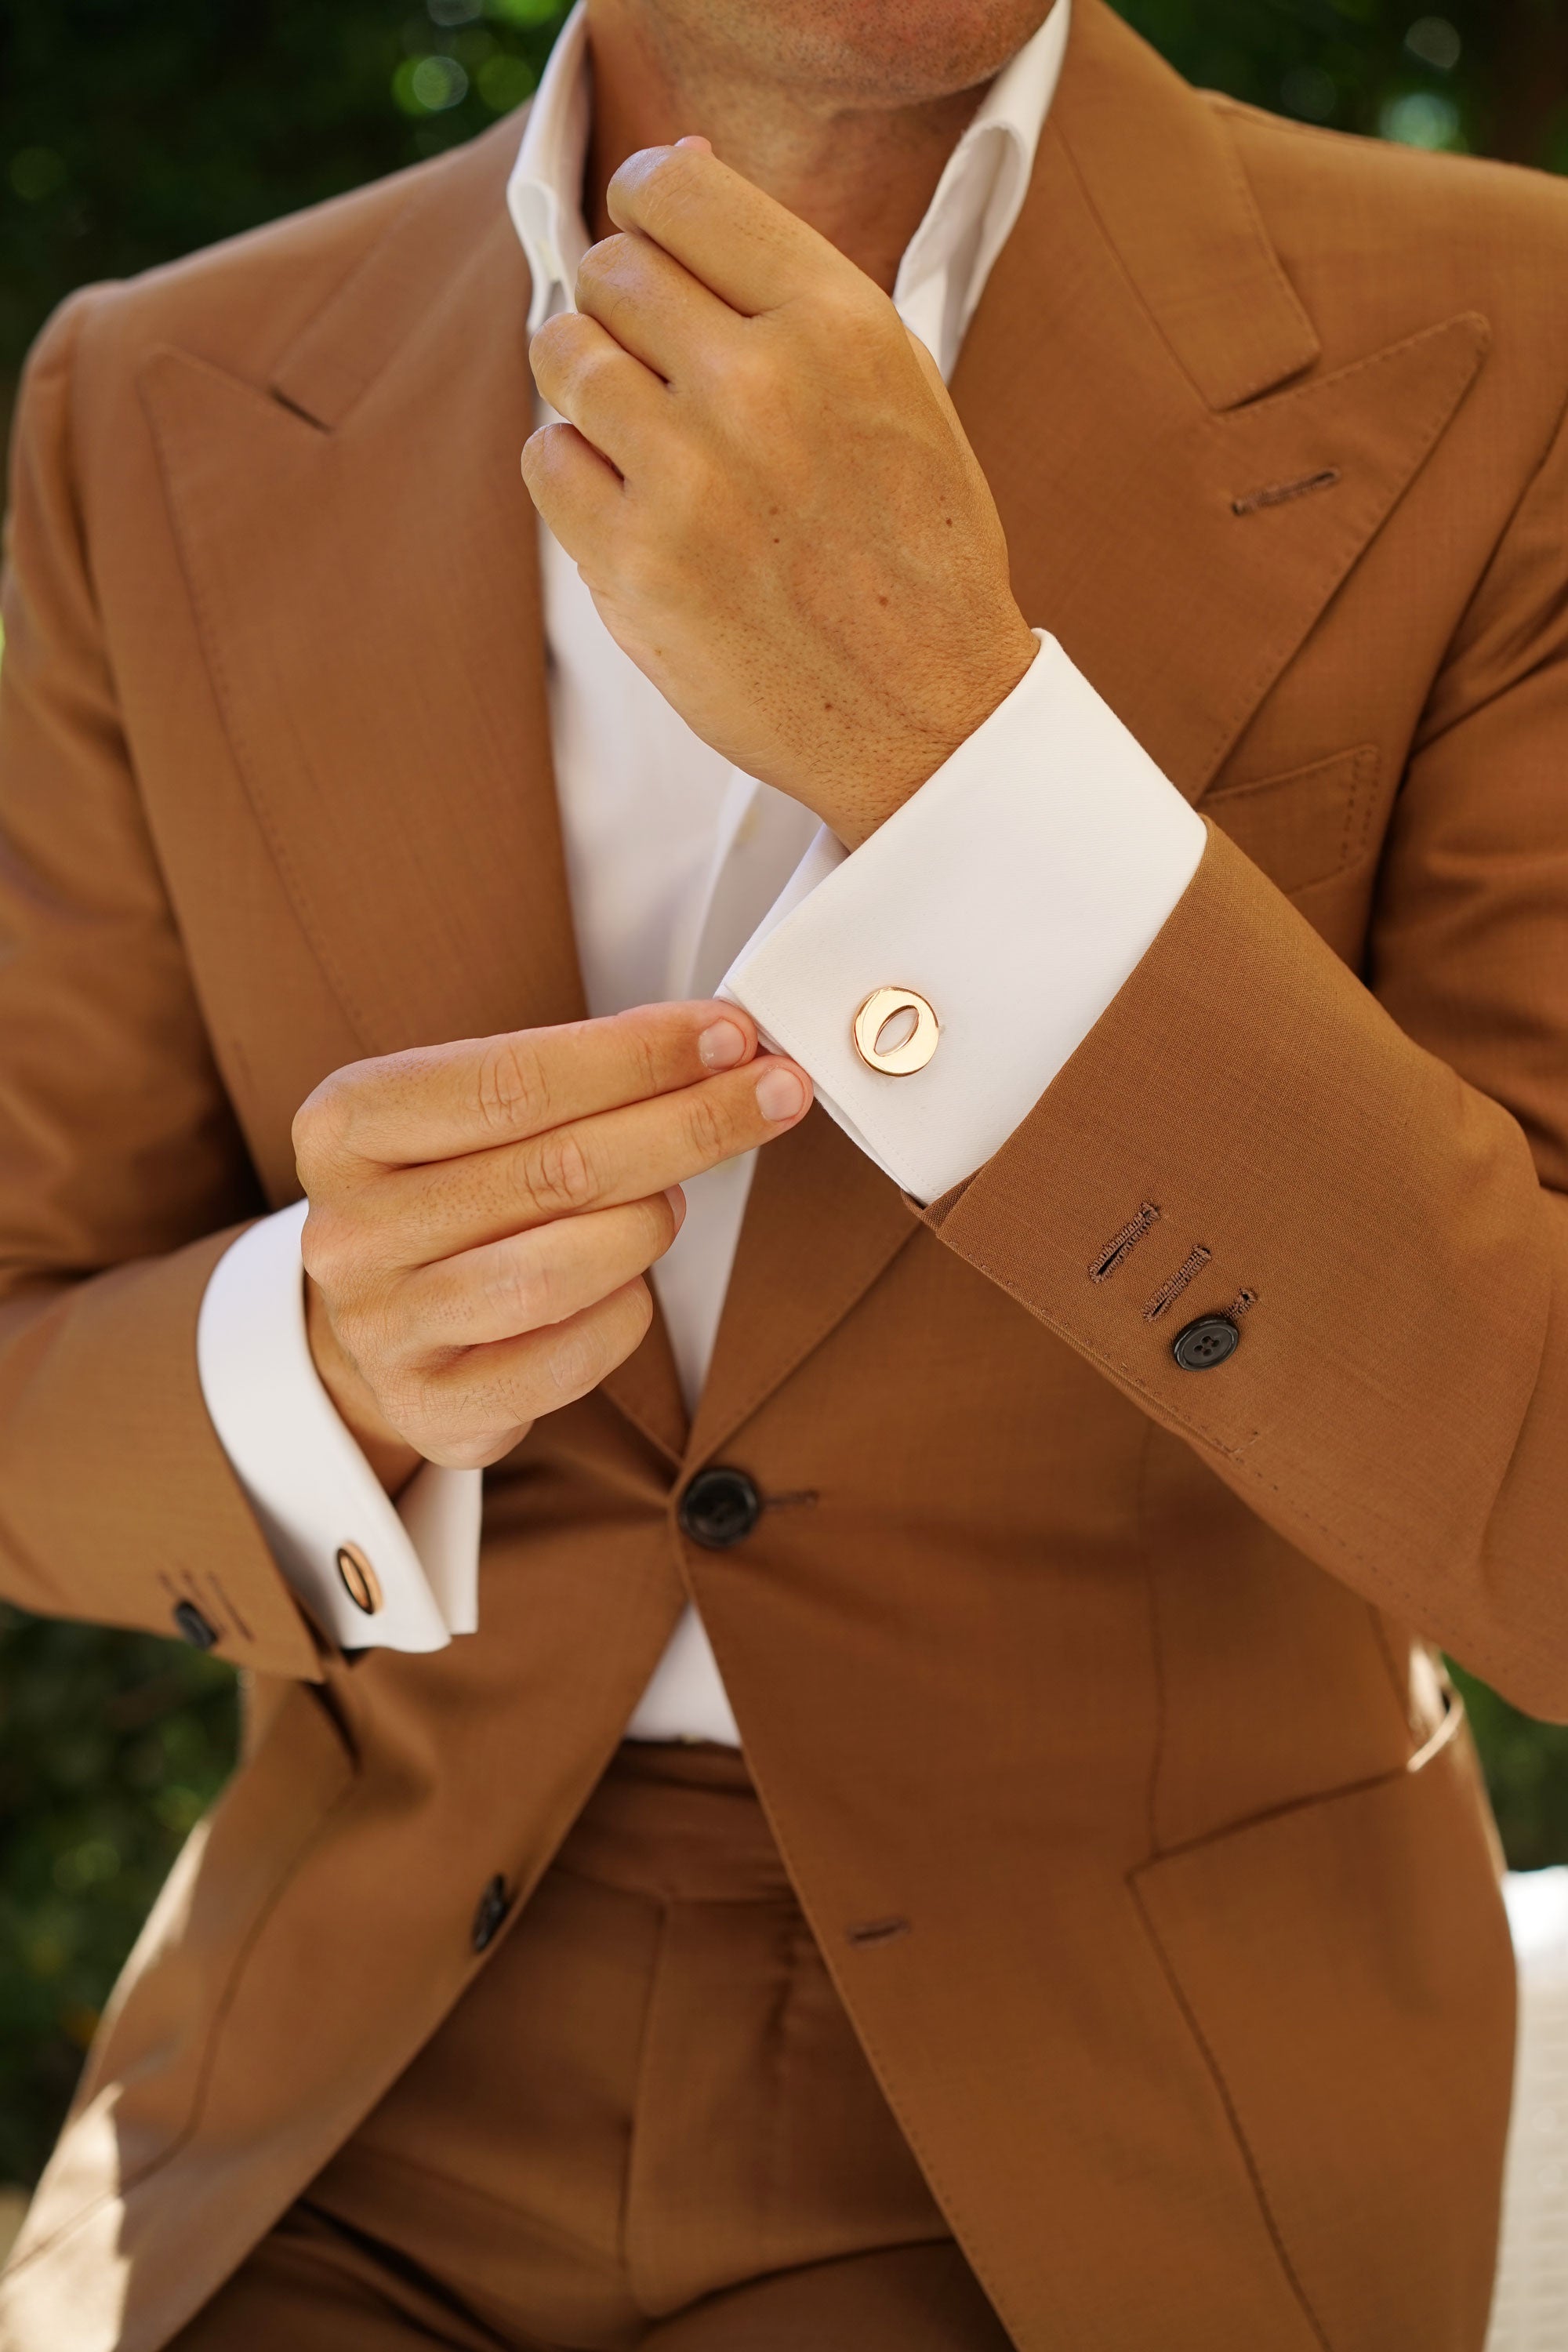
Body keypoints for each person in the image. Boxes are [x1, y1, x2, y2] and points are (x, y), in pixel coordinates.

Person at [2, 0, 1566, 2343]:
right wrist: (306, 1353)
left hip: (1137, 2121)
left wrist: (962, 760)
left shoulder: (1518, 335)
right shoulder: (149, 397)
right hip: (326, 2098)